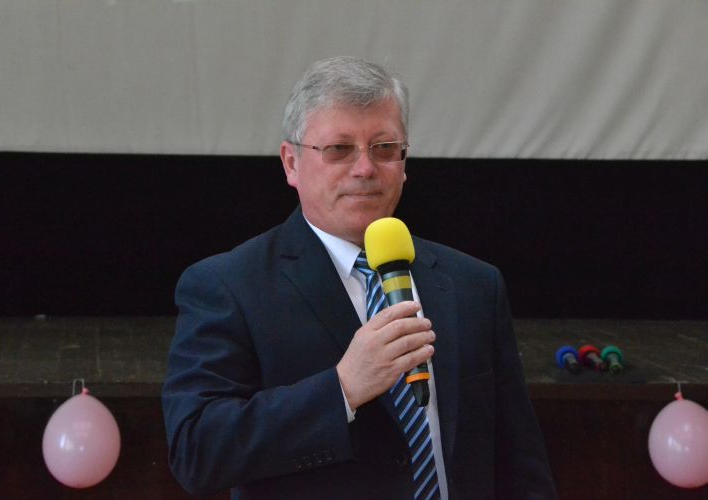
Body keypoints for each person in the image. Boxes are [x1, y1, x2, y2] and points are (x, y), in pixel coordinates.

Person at [162, 56, 557, 499]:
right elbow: (197, 451)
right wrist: (343, 388)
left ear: (404, 161)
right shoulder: (230, 285)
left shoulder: (474, 284)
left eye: (384, 147)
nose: (365, 168)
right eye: (339, 149)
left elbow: (521, 463)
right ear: (291, 163)